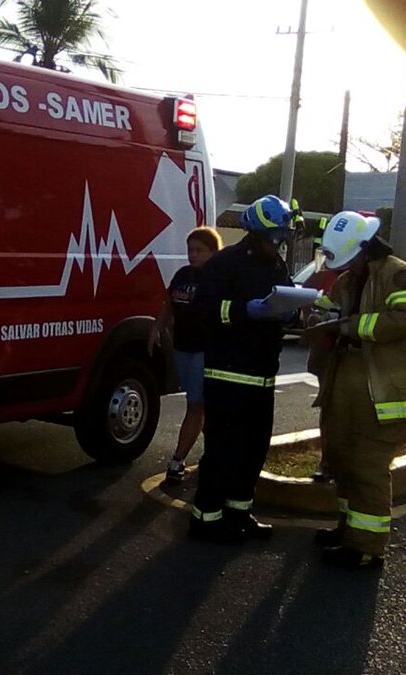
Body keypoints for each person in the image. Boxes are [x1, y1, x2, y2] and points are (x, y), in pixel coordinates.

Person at [303, 210, 406, 567]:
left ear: (366, 248)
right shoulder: (349, 280)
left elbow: (405, 320)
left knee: (368, 465)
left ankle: (366, 548)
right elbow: (326, 307)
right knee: (342, 458)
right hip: (347, 381)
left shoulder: (399, 275)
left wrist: (348, 327)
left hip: (385, 389)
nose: (346, 267)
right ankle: (348, 528)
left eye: (351, 259)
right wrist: (314, 316)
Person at [188, 195, 298, 543]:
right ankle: (206, 520)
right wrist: (242, 311)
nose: (280, 244)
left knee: (254, 449)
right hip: (228, 374)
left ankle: (239, 513)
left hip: (263, 375)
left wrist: (293, 311)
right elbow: (203, 310)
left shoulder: (276, 267)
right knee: (223, 450)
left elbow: (288, 297)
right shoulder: (225, 264)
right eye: (275, 237)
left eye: (283, 238)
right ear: (254, 234)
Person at [149, 226, 223, 484]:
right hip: (183, 347)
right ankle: (213, 454)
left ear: (213, 251)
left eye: (199, 250)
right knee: (198, 405)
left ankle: (178, 459)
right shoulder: (183, 275)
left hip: (206, 349)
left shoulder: (218, 278)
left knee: (197, 405)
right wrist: (156, 328)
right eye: (190, 250)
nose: (193, 255)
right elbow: (169, 304)